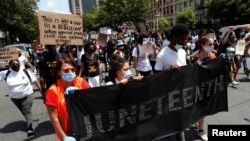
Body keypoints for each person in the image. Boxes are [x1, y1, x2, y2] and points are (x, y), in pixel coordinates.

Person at [154, 23, 189, 141]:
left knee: (180, 124)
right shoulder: (162, 55)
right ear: (173, 37)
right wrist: (169, 71)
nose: (185, 41)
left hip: (181, 93)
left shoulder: (183, 52)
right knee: (167, 126)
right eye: (182, 39)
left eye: (186, 38)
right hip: (167, 96)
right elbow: (156, 76)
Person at [45, 57, 91, 141]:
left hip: (85, 126)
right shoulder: (52, 92)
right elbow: (54, 119)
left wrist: (80, 95)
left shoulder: (81, 82)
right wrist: (64, 137)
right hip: (67, 132)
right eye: (66, 70)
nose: (70, 72)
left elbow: (92, 100)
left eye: (72, 69)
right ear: (59, 72)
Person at [0, 59, 42, 137]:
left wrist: (40, 89)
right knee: (23, 110)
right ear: (9, 65)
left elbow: (35, 81)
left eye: (17, 63)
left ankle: (30, 128)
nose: (16, 65)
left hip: (27, 95)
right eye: (13, 64)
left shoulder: (26, 72)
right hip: (14, 98)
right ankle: (28, 119)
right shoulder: (6, 73)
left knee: (26, 110)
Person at [191, 34, 215, 141]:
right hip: (197, 87)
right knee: (201, 109)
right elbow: (191, 72)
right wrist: (196, 65)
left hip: (209, 86)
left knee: (202, 108)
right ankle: (201, 131)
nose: (212, 46)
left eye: (213, 44)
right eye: (209, 44)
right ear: (202, 45)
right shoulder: (196, 57)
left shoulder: (213, 55)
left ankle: (198, 124)